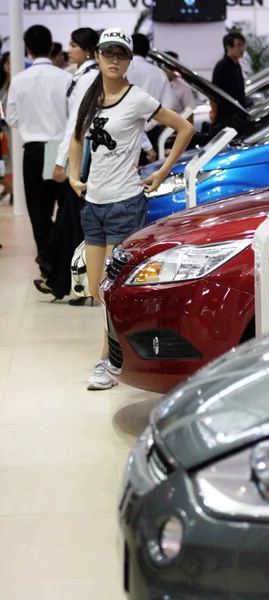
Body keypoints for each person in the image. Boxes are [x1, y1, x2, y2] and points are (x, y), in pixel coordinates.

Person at [69, 27, 194, 390]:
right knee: (95, 289)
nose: (113, 60)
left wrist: (161, 172)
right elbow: (77, 137)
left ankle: (109, 361)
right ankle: (117, 353)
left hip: (125, 203)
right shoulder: (90, 96)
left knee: (112, 290)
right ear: (97, 56)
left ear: (129, 61)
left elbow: (184, 128)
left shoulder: (136, 98)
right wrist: (76, 178)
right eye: (108, 53)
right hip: (94, 205)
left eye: (120, 55)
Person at [33, 27, 100, 304]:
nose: (68, 50)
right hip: (85, 158)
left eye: (73, 45)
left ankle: (67, 282)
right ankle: (65, 282)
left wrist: (61, 163)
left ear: (86, 49)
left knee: (72, 221)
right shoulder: (83, 75)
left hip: (83, 160)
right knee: (71, 220)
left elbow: (76, 123)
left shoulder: (88, 78)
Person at [7, 24, 71, 277]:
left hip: (33, 150)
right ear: (51, 46)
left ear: (28, 50)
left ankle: (47, 260)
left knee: (38, 211)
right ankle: (64, 258)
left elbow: (12, 119)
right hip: (61, 149)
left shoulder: (18, 80)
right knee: (66, 208)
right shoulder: (66, 78)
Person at [126, 33, 173, 162]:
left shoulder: (122, 70)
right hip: (151, 132)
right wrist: (149, 125)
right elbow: (168, 105)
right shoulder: (159, 73)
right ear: (147, 51)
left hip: (124, 131)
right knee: (148, 175)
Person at [212, 32, 247, 127]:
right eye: (238, 45)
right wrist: (214, 114)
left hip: (238, 115)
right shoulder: (222, 66)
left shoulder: (237, 66)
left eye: (243, 45)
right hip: (226, 118)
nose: (242, 49)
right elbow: (213, 92)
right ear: (228, 48)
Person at [163, 51, 196, 122]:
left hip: (174, 128)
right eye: (171, 66)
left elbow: (189, 113)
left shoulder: (184, 87)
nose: (174, 69)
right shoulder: (155, 84)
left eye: (176, 66)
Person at [0, 51, 12, 202]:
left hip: (12, 130)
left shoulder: (17, 83)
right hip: (3, 130)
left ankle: (11, 190)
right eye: (7, 63)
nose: (9, 66)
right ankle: (10, 189)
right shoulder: (3, 84)